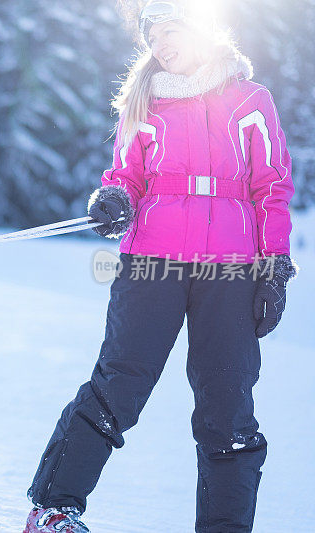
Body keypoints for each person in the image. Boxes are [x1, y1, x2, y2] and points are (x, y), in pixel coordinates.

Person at [24, 2, 296, 532]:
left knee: (228, 404)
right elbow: (126, 173)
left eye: (171, 30)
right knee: (119, 383)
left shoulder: (250, 100)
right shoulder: (144, 102)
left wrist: (275, 265)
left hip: (231, 269)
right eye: (153, 36)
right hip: (152, 262)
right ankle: (54, 509)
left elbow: (272, 187)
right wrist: (114, 197)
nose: (162, 45)